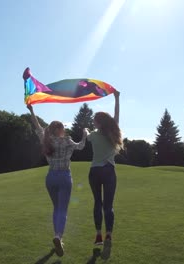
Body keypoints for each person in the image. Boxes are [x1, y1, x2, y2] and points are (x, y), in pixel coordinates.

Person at [27, 104, 88, 257]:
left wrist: (31, 110)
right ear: (60, 129)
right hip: (64, 177)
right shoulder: (67, 140)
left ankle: (57, 236)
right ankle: (58, 236)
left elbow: (37, 125)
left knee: (56, 208)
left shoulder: (46, 140)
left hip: (51, 178)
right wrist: (85, 134)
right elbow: (80, 147)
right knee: (63, 210)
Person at [87, 91, 122, 257]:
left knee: (97, 203)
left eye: (94, 120)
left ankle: (98, 235)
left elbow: (86, 136)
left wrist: (85, 130)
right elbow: (116, 115)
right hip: (109, 171)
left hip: (95, 172)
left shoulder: (92, 135)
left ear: (98, 122)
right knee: (109, 205)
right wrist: (116, 97)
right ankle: (109, 234)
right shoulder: (113, 132)